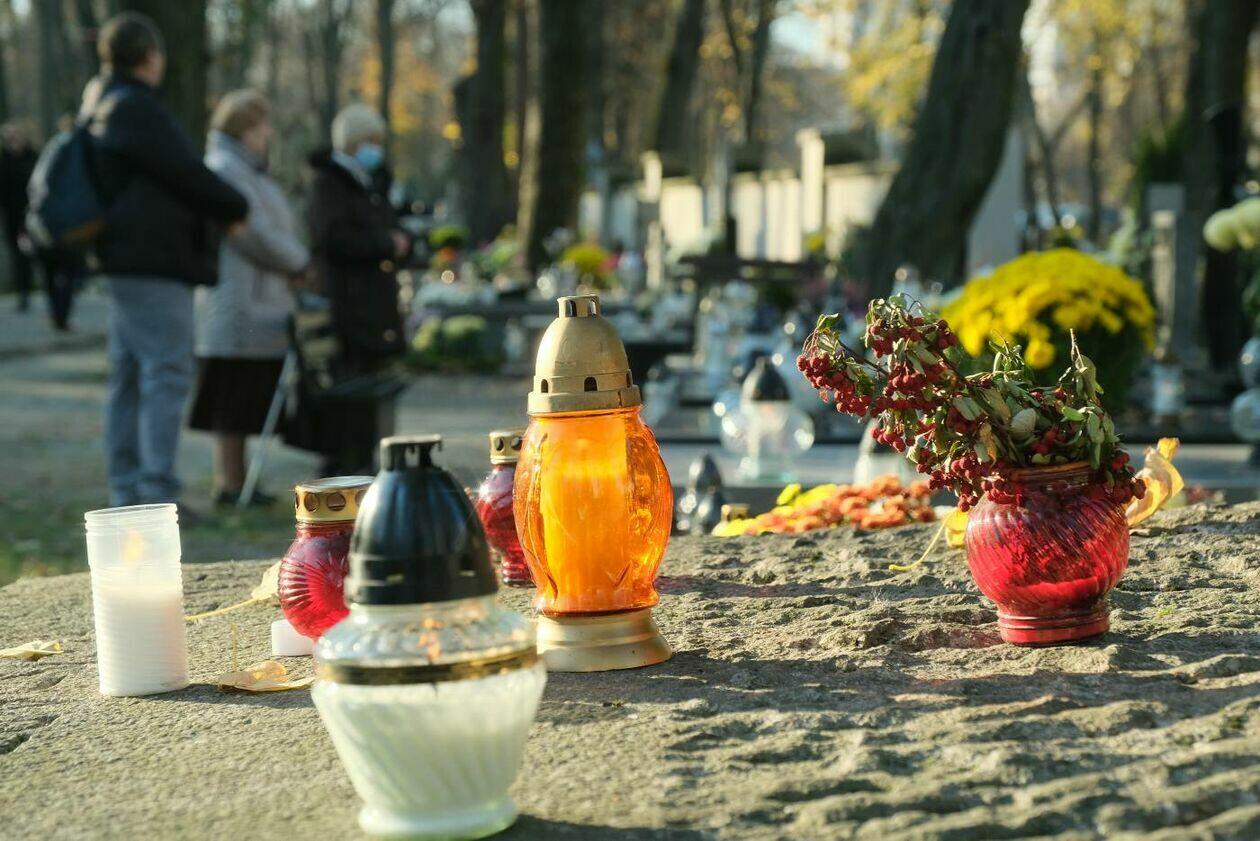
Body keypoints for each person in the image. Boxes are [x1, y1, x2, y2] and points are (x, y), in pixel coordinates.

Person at [82, 13, 249, 511]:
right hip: (152, 261)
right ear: (150, 57)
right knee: (164, 373)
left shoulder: (99, 101)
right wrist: (235, 206)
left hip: (126, 260)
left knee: (130, 377)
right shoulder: (136, 108)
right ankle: (154, 495)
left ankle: (127, 491)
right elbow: (185, 171)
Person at [190, 90, 309, 507]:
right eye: (263, 126)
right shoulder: (226, 169)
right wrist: (297, 261)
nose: (268, 135)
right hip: (238, 298)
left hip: (259, 295)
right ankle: (229, 482)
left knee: (244, 394)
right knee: (230, 395)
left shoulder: (246, 169)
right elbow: (253, 232)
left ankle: (239, 481)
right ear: (245, 128)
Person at [288, 103, 409, 475]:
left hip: (372, 308)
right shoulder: (329, 183)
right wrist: (385, 244)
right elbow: (333, 238)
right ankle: (341, 473)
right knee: (346, 400)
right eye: (373, 140)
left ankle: (366, 466)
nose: (377, 149)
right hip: (346, 306)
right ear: (356, 141)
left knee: (370, 398)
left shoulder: (370, 183)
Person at [0, 122, 38, 312]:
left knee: (34, 252)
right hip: (13, 217)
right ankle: (23, 292)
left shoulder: (34, 158)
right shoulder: (4, 162)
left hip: (34, 215)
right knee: (18, 255)